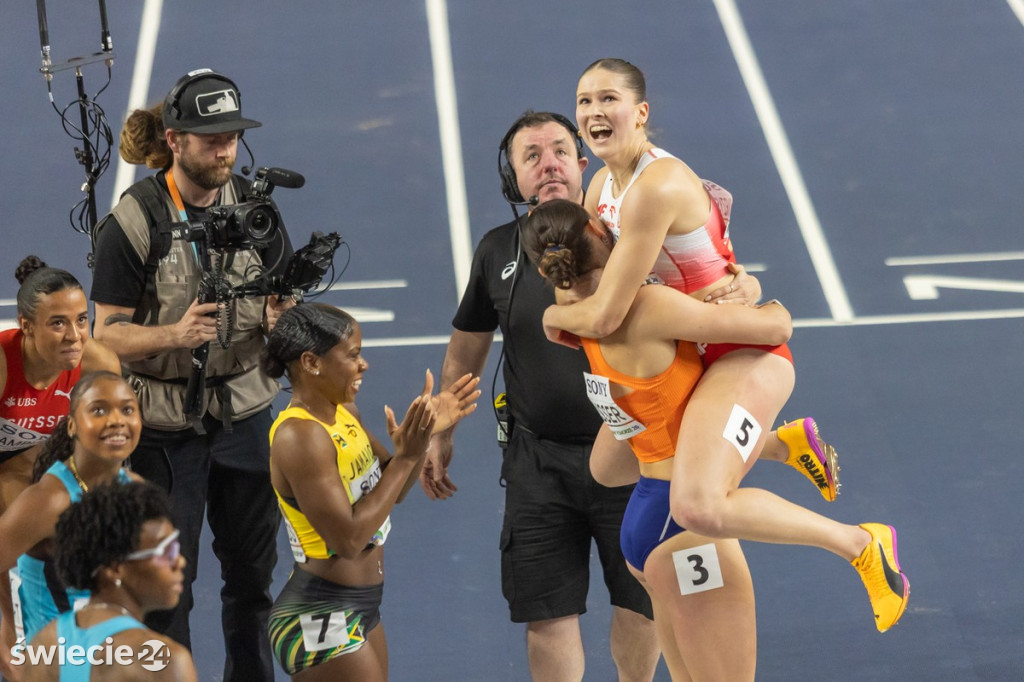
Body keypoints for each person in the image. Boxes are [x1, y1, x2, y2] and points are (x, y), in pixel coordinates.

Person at [542, 58, 908, 631]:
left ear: (640, 113)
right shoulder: (600, 186)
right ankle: (781, 444)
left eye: (607, 99)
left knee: (697, 505)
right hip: (687, 347)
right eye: (584, 101)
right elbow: (587, 293)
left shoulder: (652, 189)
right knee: (609, 468)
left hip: (739, 350)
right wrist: (566, 314)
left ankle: (861, 543)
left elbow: (608, 310)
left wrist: (553, 320)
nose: (592, 112)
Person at [524, 198, 800, 680]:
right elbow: (775, 327)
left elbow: (608, 465)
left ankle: (774, 443)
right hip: (686, 526)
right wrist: (747, 289)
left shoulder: (567, 312)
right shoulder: (649, 306)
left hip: (645, 519)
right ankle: (856, 542)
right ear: (599, 231)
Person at [89, 68, 293, 680]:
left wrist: (281, 315)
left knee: (253, 581)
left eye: (231, 135)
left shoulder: (256, 212)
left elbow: (283, 298)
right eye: (211, 138)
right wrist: (173, 335)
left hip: (248, 415)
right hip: (163, 429)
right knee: (168, 590)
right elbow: (106, 336)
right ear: (174, 140)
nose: (225, 148)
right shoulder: (134, 220)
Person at [261, 303, 478, 680]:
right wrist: (407, 456)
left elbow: (392, 492)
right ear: (311, 362)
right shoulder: (300, 436)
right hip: (319, 611)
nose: (364, 365)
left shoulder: (344, 411)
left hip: (360, 603)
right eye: (353, 355)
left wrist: (419, 441)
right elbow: (347, 539)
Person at [0, 257, 121, 679]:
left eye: (82, 320)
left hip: (42, 466)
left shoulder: (97, 362)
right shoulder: (2, 365)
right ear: (26, 325)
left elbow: (110, 452)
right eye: (57, 324)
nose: (75, 336)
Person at [0, 371, 141, 660]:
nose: (117, 421)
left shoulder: (136, 489)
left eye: (127, 409)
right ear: (73, 425)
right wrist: (8, 641)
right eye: (99, 410)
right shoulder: (48, 501)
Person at [21, 481, 196, 681]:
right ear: (115, 568)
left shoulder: (44, 643)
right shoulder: (165, 662)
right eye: (166, 551)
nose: (180, 561)